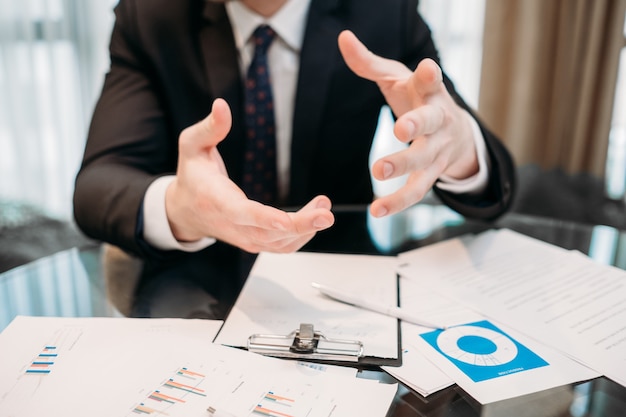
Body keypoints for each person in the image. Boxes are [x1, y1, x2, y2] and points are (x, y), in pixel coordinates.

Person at [73, 0, 515, 317]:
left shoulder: (384, 11)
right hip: (194, 285)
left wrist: (460, 153)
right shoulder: (150, 14)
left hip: (348, 279)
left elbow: (480, 164)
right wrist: (179, 208)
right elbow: (98, 184)